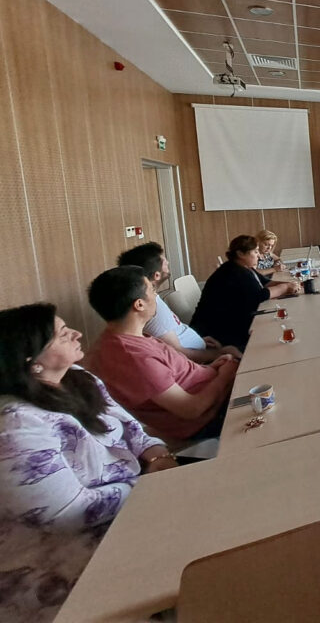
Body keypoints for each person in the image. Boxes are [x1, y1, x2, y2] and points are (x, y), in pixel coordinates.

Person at [0, 303, 176, 621]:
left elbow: (132, 429)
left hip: (136, 509)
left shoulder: (77, 377)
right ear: (30, 360)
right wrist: (151, 482)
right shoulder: (15, 425)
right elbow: (68, 513)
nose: (77, 333)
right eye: (62, 333)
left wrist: (158, 455)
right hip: (66, 562)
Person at [87, 266, 239, 441]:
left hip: (216, 393)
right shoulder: (133, 357)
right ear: (139, 304)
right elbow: (191, 409)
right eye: (152, 290)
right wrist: (224, 377)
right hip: (210, 421)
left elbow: (175, 375)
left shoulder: (124, 339)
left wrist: (213, 368)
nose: (156, 296)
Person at [117, 242, 241, 364]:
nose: (168, 263)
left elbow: (174, 335)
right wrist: (220, 353)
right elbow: (178, 354)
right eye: (164, 262)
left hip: (203, 348)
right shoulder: (152, 308)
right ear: (156, 275)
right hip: (201, 363)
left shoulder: (151, 299)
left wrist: (200, 341)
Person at [190, 235, 301, 350]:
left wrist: (291, 284)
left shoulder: (245, 267)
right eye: (255, 251)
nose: (259, 255)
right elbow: (260, 295)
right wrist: (284, 287)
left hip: (232, 322)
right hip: (217, 331)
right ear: (240, 254)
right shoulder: (232, 272)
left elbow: (265, 283)